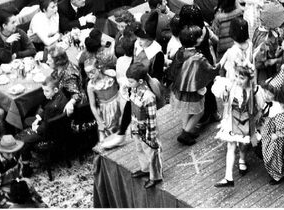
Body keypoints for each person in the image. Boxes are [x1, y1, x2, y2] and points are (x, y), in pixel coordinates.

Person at [169, 25, 219, 145]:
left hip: (180, 89)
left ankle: (186, 128)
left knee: (186, 110)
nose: (201, 37)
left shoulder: (180, 52)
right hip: (193, 90)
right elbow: (209, 70)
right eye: (199, 36)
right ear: (195, 40)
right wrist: (219, 66)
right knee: (199, 112)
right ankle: (186, 133)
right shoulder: (198, 57)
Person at [126, 61, 163, 189]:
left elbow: (152, 118)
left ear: (140, 81)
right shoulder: (134, 89)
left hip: (147, 129)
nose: (128, 84)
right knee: (139, 148)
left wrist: (151, 136)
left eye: (131, 81)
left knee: (151, 152)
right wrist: (133, 126)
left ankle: (155, 176)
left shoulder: (148, 97)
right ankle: (145, 169)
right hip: (136, 125)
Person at [260, 78, 284, 184]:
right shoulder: (270, 103)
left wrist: (277, 135)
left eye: (270, 94)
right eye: (266, 92)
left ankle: (278, 175)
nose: (267, 96)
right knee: (268, 155)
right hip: (267, 134)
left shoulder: (278, 109)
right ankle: (276, 173)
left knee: (272, 156)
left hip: (274, 137)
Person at [85, 57, 121, 142]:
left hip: (118, 104)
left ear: (99, 68)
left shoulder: (111, 75)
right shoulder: (91, 86)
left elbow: (120, 86)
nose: (90, 75)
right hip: (106, 111)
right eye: (87, 73)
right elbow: (93, 106)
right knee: (110, 133)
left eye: (92, 71)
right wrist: (100, 121)